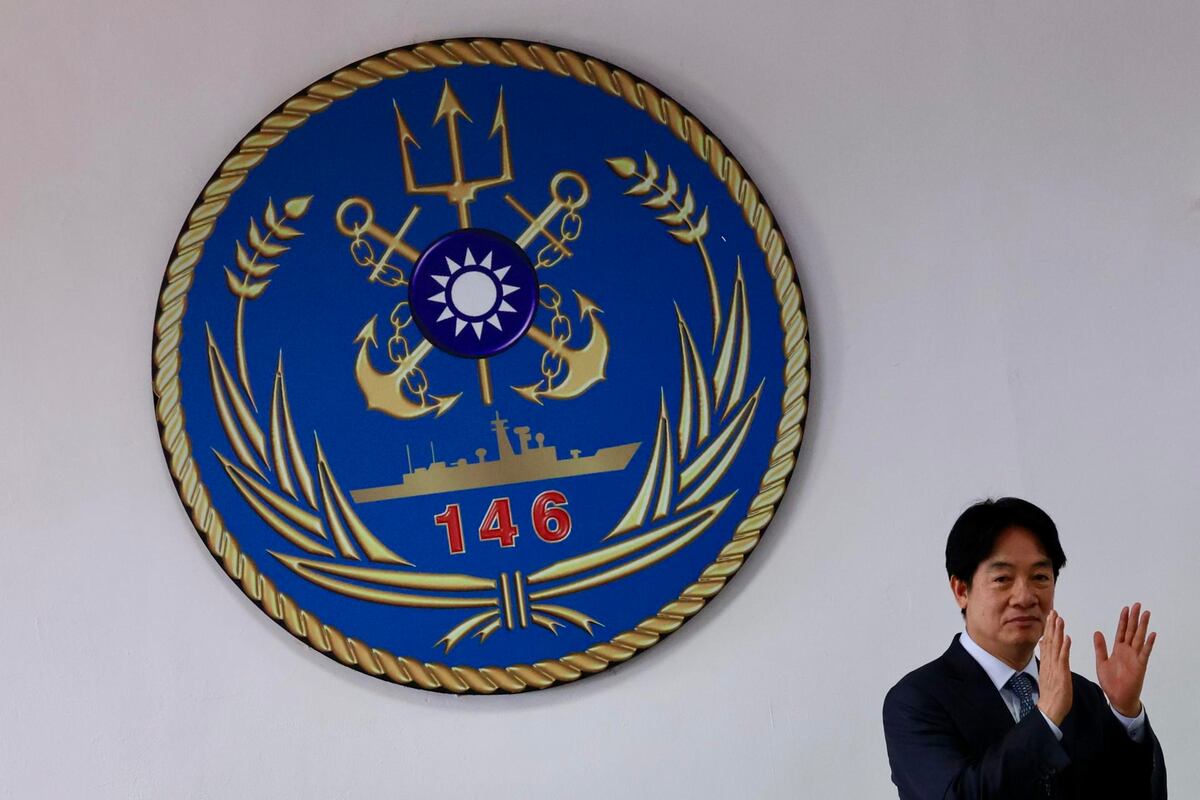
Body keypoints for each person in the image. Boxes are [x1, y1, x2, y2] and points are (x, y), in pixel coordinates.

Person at [882, 497, 1166, 798]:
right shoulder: (916, 700)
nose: (1025, 597)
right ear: (962, 590)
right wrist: (1046, 719)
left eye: (1040, 577)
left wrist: (1125, 712)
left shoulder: (1083, 696)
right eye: (1002, 579)